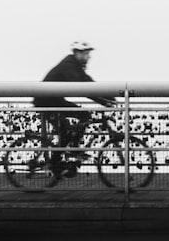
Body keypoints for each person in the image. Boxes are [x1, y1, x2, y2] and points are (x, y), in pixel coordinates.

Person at [32, 41, 116, 177]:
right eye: (86, 54)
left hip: (55, 100)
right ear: (78, 53)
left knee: (82, 117)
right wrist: (103, 101)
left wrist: (109, 97)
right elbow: (83, 89)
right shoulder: (69, 66)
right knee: (68, 127)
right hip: (46, 101)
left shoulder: (76, 67)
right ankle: (60, 159)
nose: (89, 57)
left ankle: (71, 151)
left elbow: (90, 85)